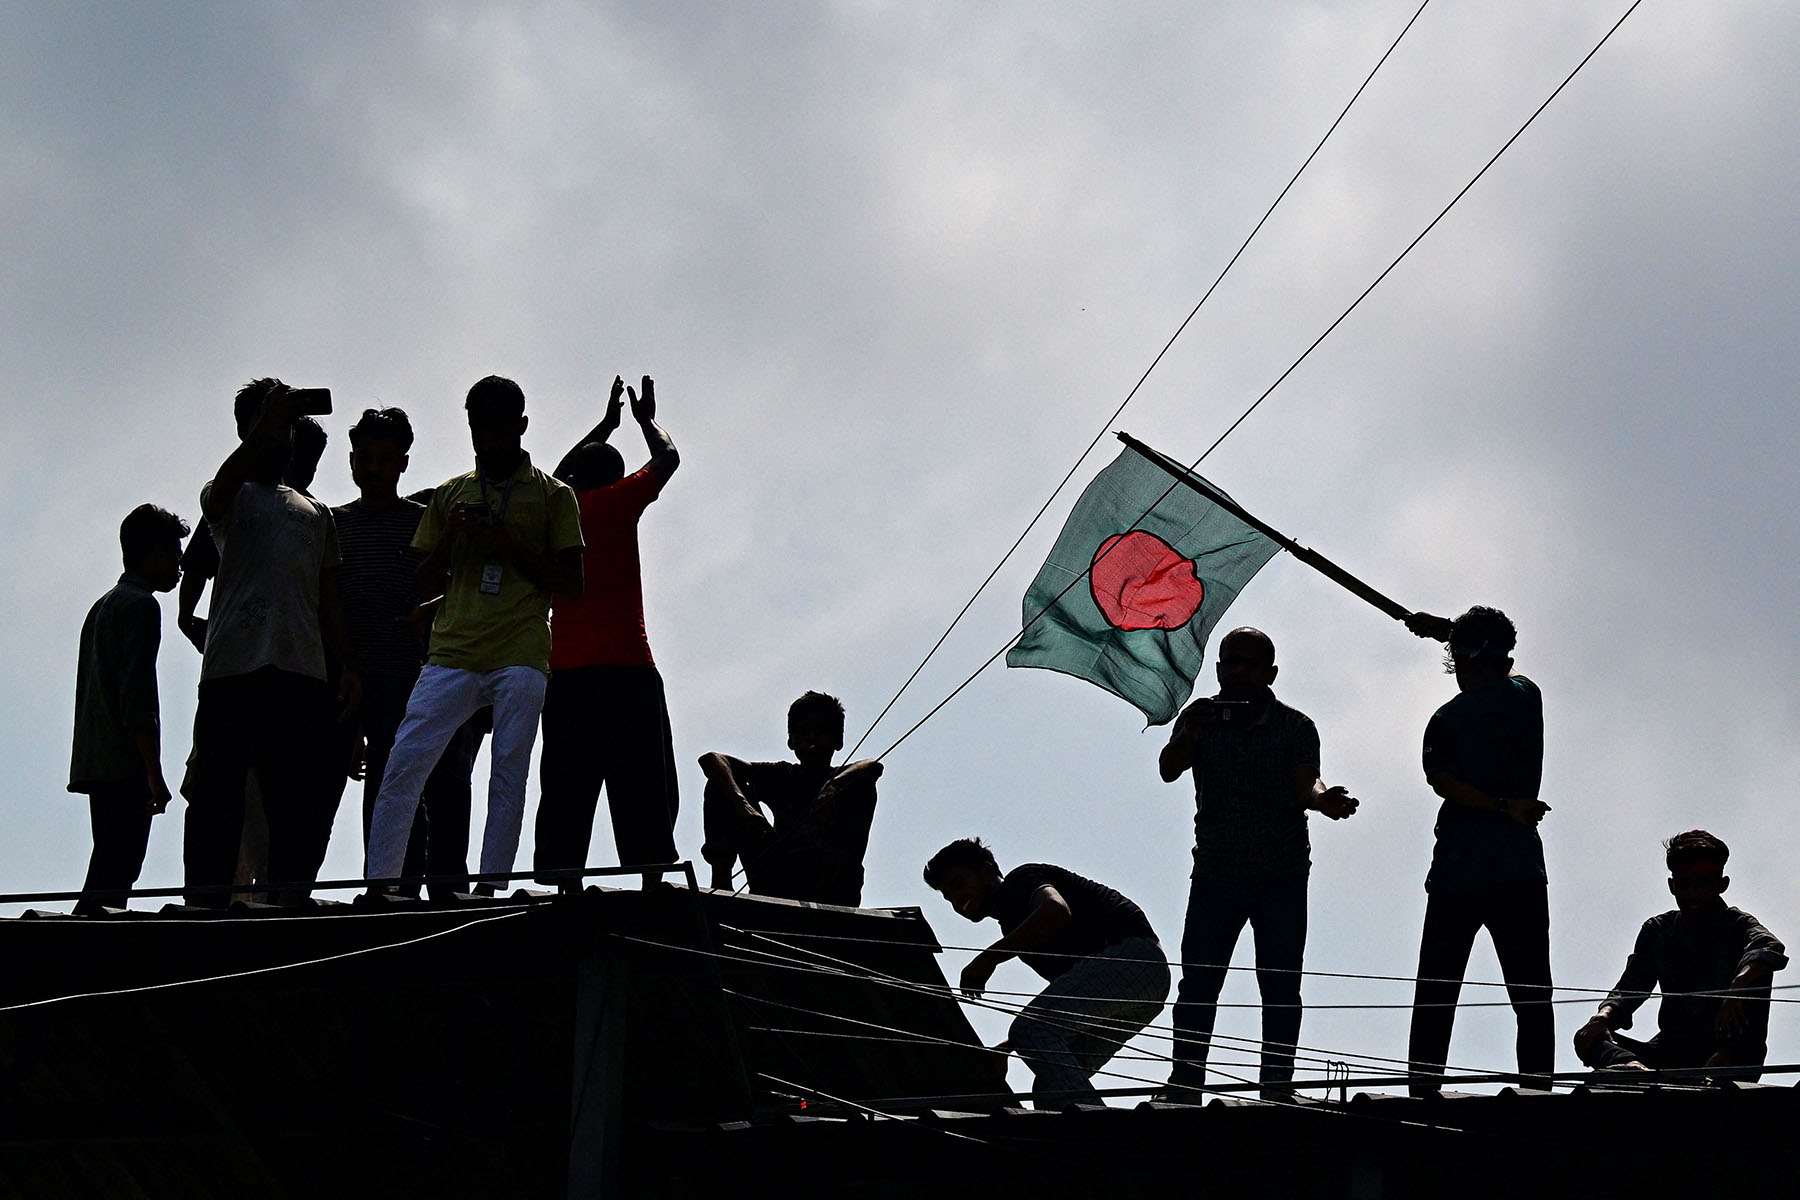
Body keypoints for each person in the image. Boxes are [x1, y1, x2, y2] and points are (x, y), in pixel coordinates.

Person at [365, 375, 583, 895]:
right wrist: (456, 540)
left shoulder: (555, 496)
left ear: (521, 427)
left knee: (508, 773)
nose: (486, 440)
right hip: (452, 652)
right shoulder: (450, 495)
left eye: (497, 429)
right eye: (477, 429)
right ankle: (380, 885)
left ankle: (487, 889)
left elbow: (572, 586)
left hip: (521, 652)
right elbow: (419, 579)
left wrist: (506, 541)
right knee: (402, 765)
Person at [1157, 627, 1358, 1098]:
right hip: (1216, 873)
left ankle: (1276, 1087)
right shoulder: (1200, 717)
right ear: (1219, 667)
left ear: (1271, 673)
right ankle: (1184, 1084)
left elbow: (1307, 782)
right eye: (1233, 662)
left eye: (1252, 664)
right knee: (1199, 985)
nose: (1241, 672)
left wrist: (1324, 801)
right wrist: (1192, 732)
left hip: (1280, 877)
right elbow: (1169, 768)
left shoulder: (1295, 726)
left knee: (1281, 986)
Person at [187, 380, 361, 906]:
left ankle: (286, 893)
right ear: (247, 427)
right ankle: (207, 899)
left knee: (295, 794)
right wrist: (266, 424)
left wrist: (348, 667)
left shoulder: (315, 513)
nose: (281, 434)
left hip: (301, 670)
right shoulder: (227, 496)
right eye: (268, 421)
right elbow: (221, 488)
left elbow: (328, 600)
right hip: (232, 668)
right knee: (219, 793)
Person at [535, 374, 681, 884]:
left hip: (569, 672)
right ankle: (651, 879)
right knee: (642, 779)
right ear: (617, 478)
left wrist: (604, 425)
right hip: (628, 667)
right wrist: (645, 422)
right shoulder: (620, 502)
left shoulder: (561, 511)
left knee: (566, 782)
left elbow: (554, 477)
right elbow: (668, 459)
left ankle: (563, 878)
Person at [1403, 605, 1552, 1093]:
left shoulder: (1446, 719)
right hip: (1518, 869)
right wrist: (1452, 633)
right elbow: (1488, 653)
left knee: (1436, 994)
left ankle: (1423, 1093)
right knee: (1531, 995)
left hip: (1459, 872)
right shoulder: (1527, 697)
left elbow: (1442, 781)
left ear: (1464, 656)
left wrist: (1498, 804)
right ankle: (1538, 1090)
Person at [332, 407, 482, 895]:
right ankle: (386, 886)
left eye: (384, 459)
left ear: (402, 464)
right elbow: (328, 607)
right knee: (381, 785)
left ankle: (439, 891)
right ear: (352, 461)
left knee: (437, 784)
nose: (373, 469)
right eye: (364, 458)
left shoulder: (425, 524)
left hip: (425, 676)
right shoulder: (335, 527)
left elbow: (461, 586)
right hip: (361, 679)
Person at [924, 838, 1170, 1108]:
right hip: (1137, 986)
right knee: (1049, 1091)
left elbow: (1055, 910)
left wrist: (988, 959)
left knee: (1028, 1030)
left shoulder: (1021, 881)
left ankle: (1103, 1133)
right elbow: (1071, 999)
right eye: (949, 897)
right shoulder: (1015, 930)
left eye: (959, 884)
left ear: (987, 870)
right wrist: (1009, 1047)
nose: (958, 902)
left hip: (1133, 959)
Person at [1574, 830, 1786, 1079]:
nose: (1693, 892)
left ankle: (1718, 1072)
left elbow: (1769, 946)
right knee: (1588, 1036)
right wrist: (1603, 1017)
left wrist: (1737, 988)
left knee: (1757, 970)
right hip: (1670, 1053)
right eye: (1684, 883)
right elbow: (1630, 988)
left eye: (1703, 882)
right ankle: (1634, 1070)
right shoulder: (1658, 930)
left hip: (1730, 1051)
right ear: (1672, 885)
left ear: (1722, 884)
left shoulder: (1738, 925)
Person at [68, 505, 188, 914]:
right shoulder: (141, 606)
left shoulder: (103, 605)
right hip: (124, 764)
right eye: (174, 554)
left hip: (97, 761)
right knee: (118, 868)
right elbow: (137, 698)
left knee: (108, 861)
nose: (179, 565)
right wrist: (153, 773)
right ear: (154, 553)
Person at [699, 692, 882, 905]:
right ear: (791, 740)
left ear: (838, 740)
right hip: (777, 880)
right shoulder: (783, 775)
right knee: (720, 782)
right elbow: (713, 760)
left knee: (860, 787)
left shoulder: (852, 781)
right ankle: (721, 883)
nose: (811, 738)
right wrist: (746, 810)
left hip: (831, 888)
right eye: (803, 731)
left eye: (821, 731)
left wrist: (834, 787)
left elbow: (872, 766)